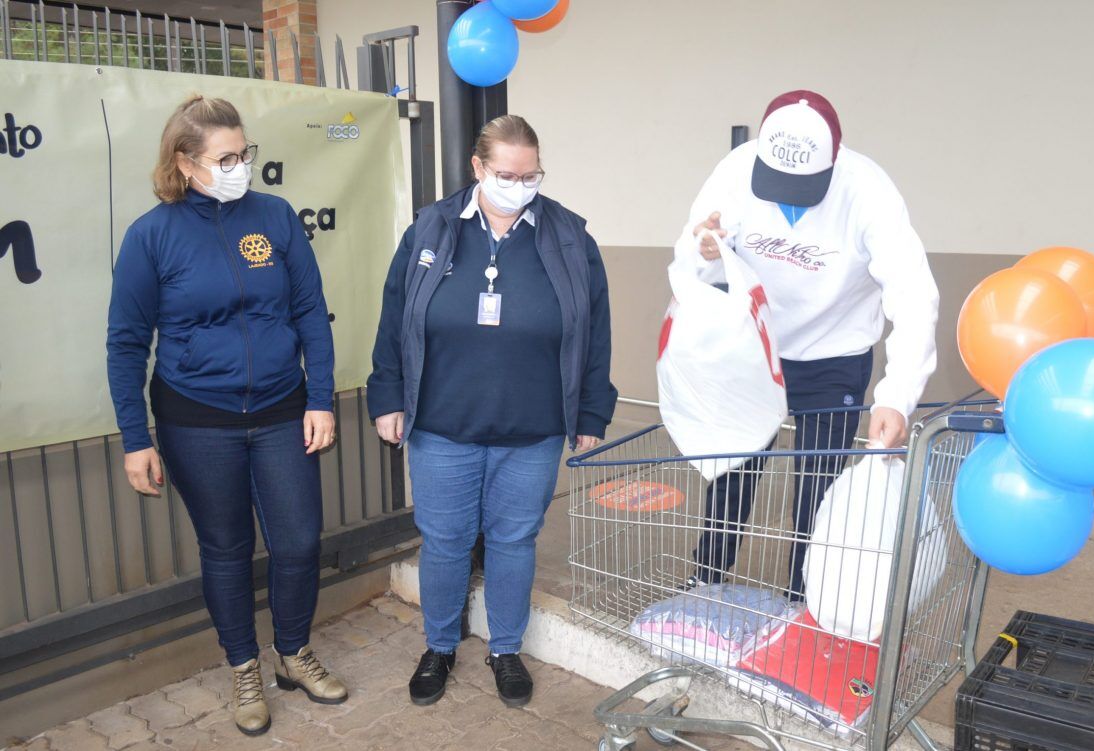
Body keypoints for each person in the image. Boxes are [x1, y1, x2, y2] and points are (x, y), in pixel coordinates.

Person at [106, 95, 347, 737]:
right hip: (196, 420)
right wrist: (136, 438)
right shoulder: (151, 235)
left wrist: (319, 397)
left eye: (246, 153)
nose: (240, 166)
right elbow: (127, 342)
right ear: (185, 163)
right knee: (228, 548)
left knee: (298, 541)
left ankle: (292, 653)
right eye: (226, 157)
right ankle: (243, 667)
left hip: (280, 410)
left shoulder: (274, 217)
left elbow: (308, 313)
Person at [367, 114, 617, 708]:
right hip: (441, 424)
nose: (520, 184)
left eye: (531, 175)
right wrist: (388, 395)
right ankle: (440, 645)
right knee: (445, 541)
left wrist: (589, 414)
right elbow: (395, 317)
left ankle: (506, 649)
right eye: (507, 173)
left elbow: (595, 330)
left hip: (531, 428)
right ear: (478, 168)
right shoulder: (430, 228)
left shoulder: (569, 237)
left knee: (514, 540)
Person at [678, 89, 939, 599]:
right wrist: (704, 248)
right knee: (732, 468)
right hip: (753, 343)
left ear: (835, 159)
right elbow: (694, 250)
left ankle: (805, 594)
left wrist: (896, 395)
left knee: (819, 485)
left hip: (834, 353)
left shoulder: (869, 191)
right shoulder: (735, 170)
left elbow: (913, 295)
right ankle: (707, 574)